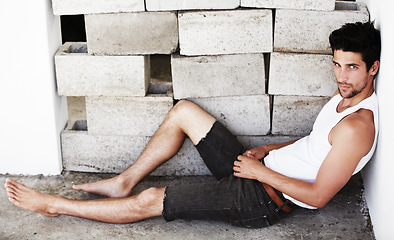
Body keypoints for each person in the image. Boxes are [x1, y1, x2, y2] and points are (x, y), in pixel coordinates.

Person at [4, 21, 381, 227]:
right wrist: (267, 151)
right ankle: (123, 182)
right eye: (337, 64)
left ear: (373, 68)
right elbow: (316, 143)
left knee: (153, 201)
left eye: (351, 67)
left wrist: (258, 172)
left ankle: (55, 205)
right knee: (184, 110)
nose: (341, 75)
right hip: (257, 169)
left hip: (262, 199)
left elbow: (317, 197)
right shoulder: (344, 98)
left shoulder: (358, 126)